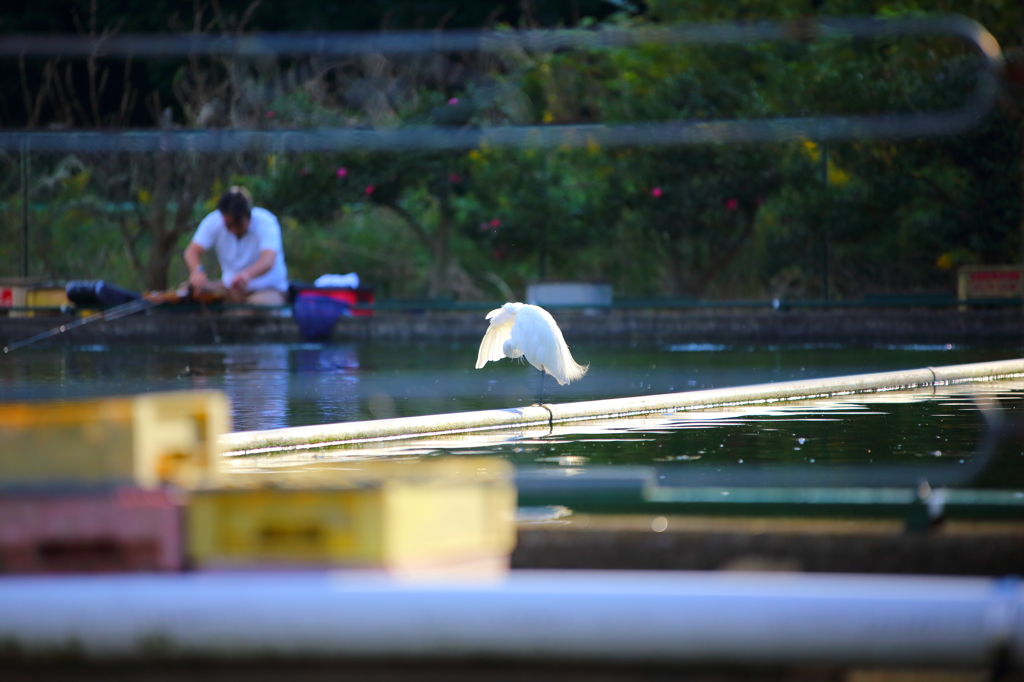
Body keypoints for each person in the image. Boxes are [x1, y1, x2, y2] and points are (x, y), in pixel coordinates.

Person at [184, 187, 289, 305]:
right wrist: (197, 271)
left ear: (248, 215)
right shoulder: (214, 221)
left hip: (267, 289)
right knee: (187, 293)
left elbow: (268, 260)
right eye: (229, 225)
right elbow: (192, 251)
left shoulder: (266, 222)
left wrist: (246, 275)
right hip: (229, 289)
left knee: (254, 307)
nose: (233, 229)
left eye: (238, 224)